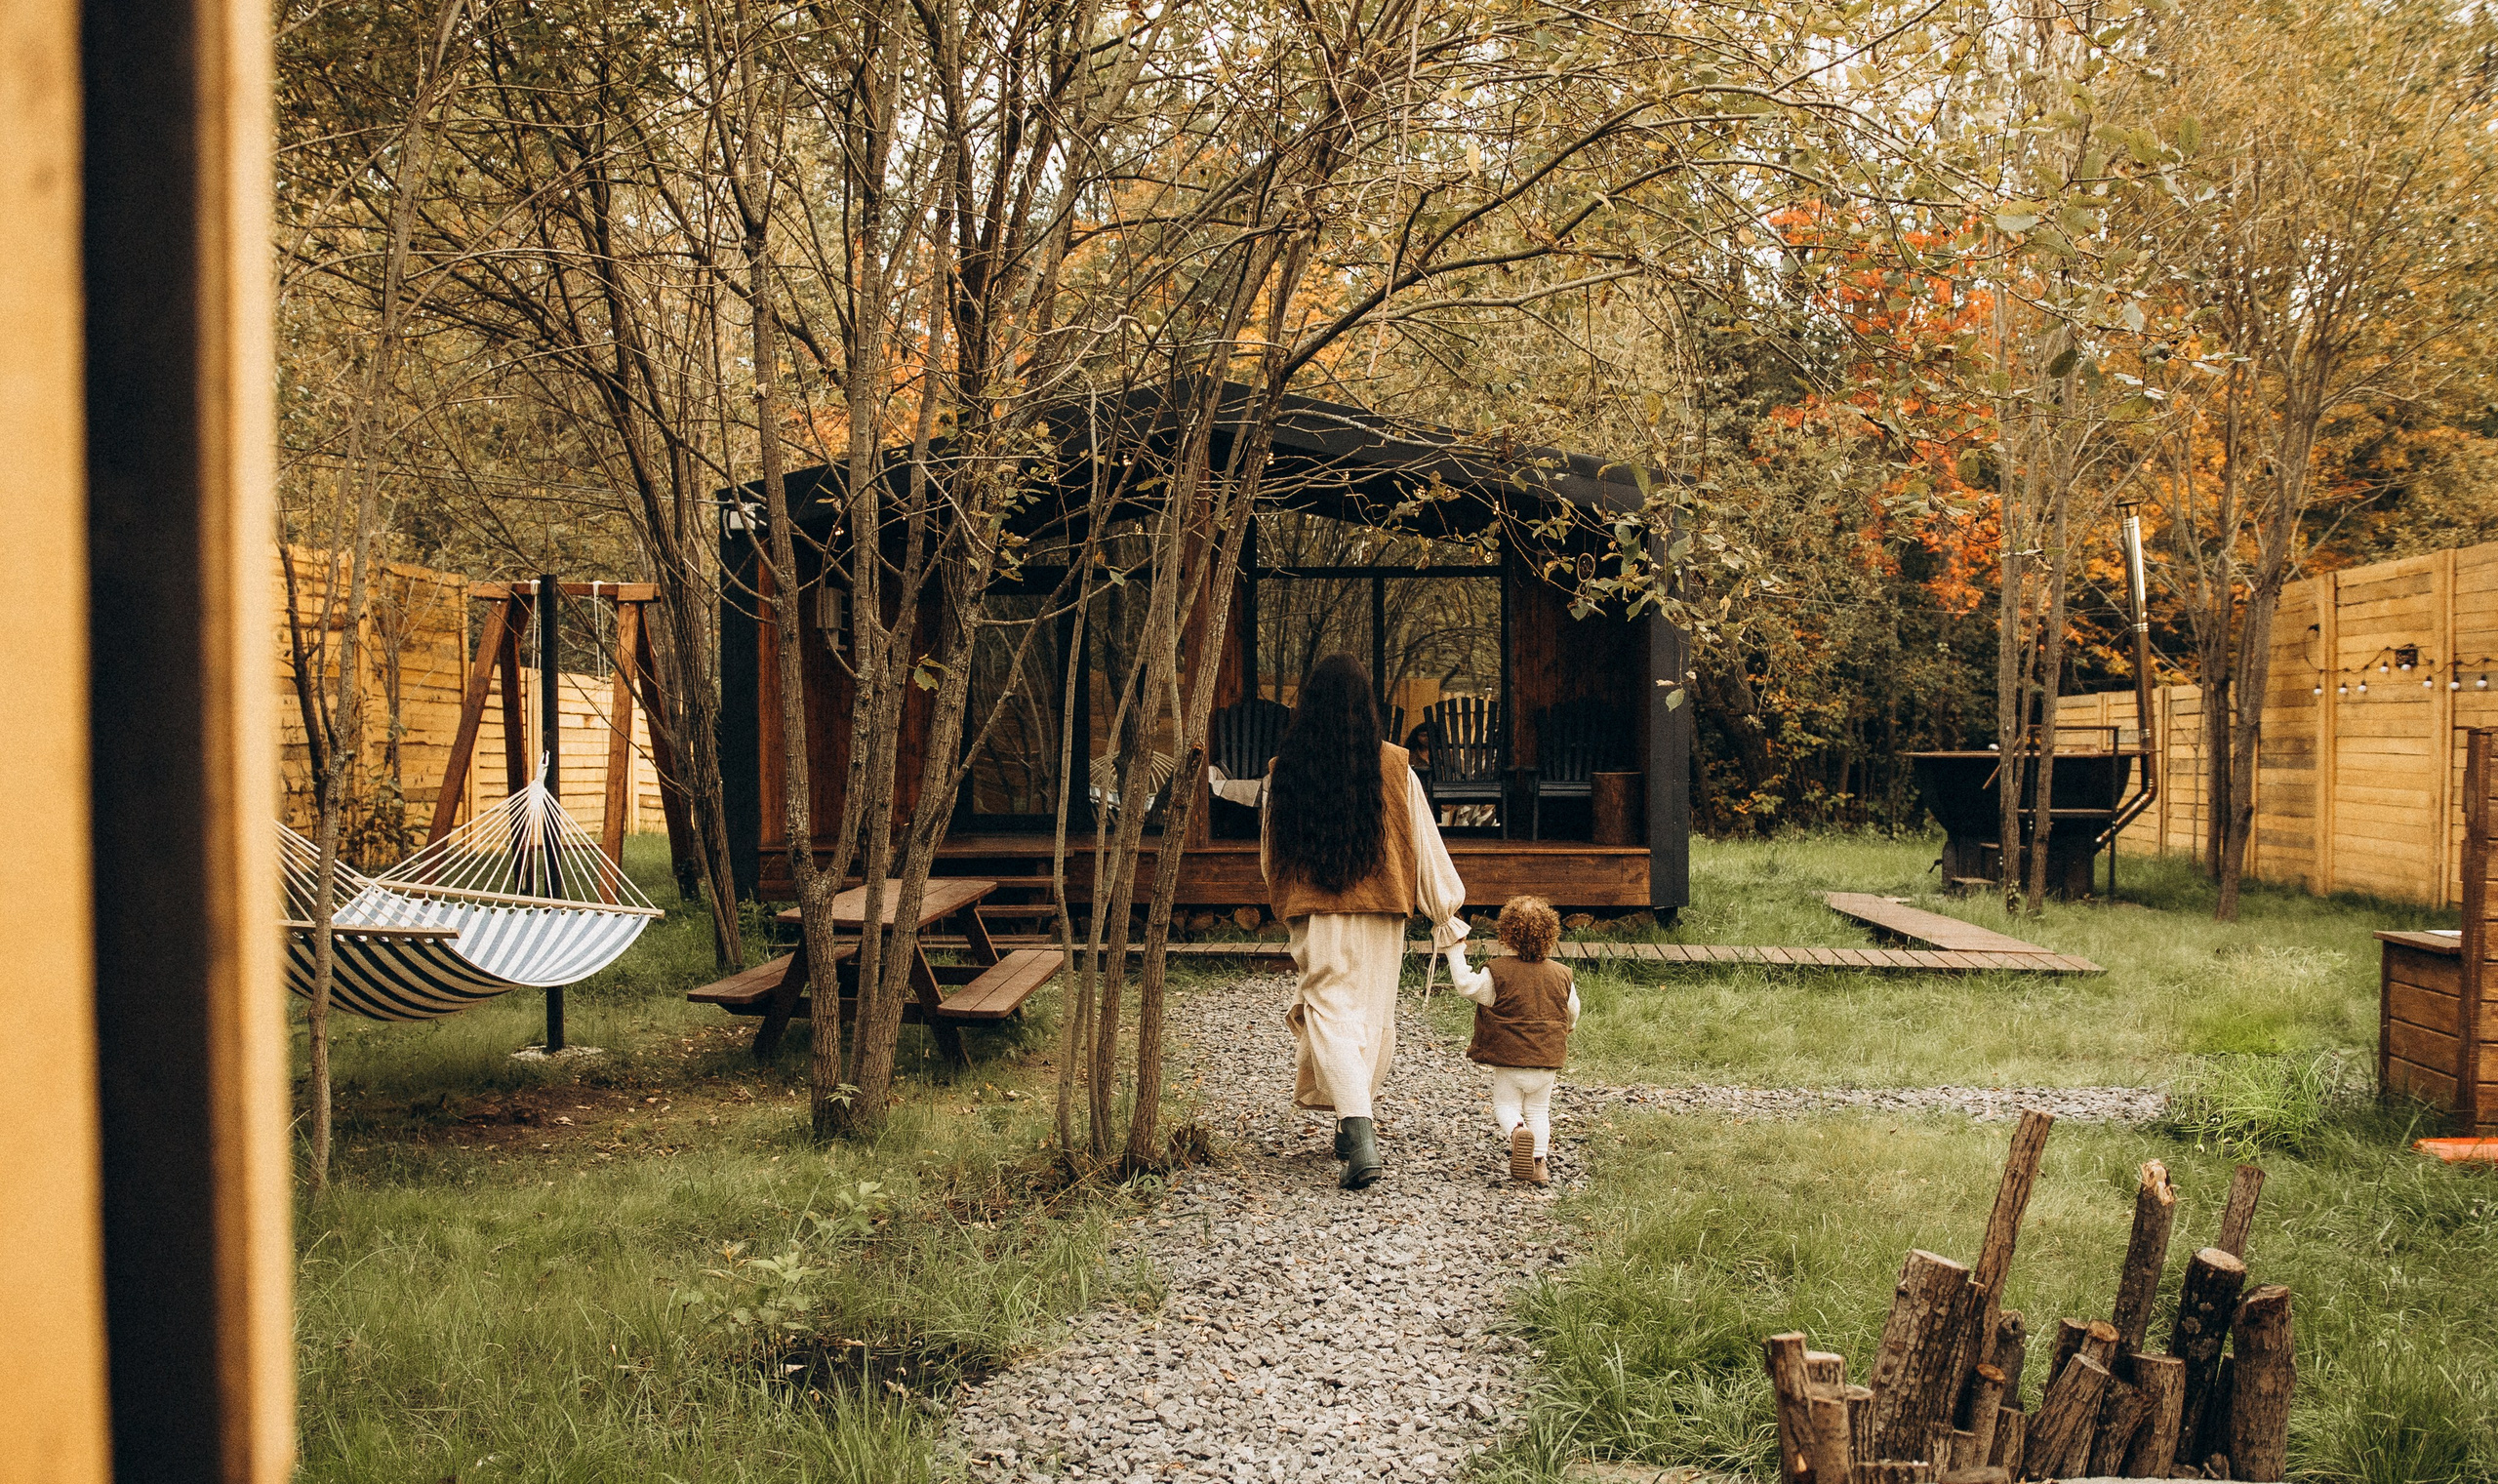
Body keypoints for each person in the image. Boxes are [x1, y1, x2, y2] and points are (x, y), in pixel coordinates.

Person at [1262, 654, 1472, 1189]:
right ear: (1366, 706)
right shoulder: (1396, 766)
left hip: (1316, 912)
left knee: (1329, 1014)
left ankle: (1357, 1130)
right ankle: (1355, 1124)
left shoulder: (1284, 768)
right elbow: (1424, 846)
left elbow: (1270, 854)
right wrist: (1445, 914)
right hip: (1385, 910)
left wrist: (1285, 902)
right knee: (1370, 1018)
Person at [1447, 895, 1580, 1186]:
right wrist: (1567, 1027)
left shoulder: (1497, 972)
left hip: (1510, 1059)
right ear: (1551, 935)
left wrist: (1453, 949)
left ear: (1506, 934)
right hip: (1547, 1059)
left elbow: (1466, 986)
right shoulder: (1562, 975)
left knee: (1506, 1106)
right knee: (1539, 1110)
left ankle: (1518, 1132)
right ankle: (1539, 1164)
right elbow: (1571, 1012)